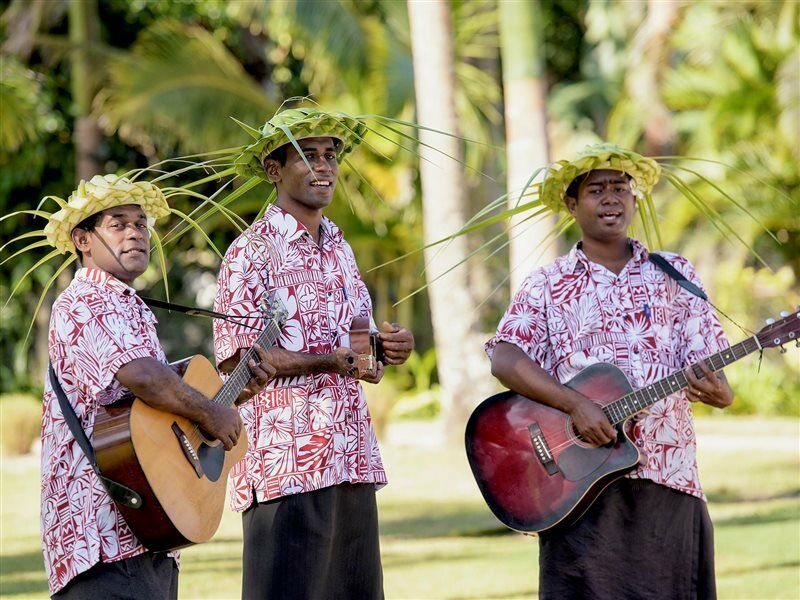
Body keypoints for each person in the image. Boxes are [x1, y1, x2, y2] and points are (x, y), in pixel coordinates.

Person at [485, 145, 734, 600]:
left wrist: (718, 391)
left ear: (635, 200)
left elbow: (716, 375)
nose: (611, 199)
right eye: (597, 190)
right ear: (571, 204)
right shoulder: (547, 283)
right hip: (577, 484)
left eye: (621, 188)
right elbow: (505, 357)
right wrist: (575, 404)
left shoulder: (675, 274)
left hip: (667, 473)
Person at [30, 175, 275, 598]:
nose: (135, 234)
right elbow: (142, 377)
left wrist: (234, 392)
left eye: (141, 225)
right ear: (82, 240)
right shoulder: (83, 302)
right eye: (118, 224)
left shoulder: (131, 308)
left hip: (148, 527)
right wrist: (210, 411)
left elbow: (157, 408)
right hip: (99, 534)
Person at [213, 108, 415, 599]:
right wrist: (330, 361)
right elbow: (237, 363)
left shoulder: (341, 249)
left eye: (331, 154)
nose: (324, 165)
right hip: (284, 464)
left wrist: (387, 350)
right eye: (308, 155)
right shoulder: (251, 253)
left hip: (350, 457)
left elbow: (361, 352)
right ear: (273, 170)